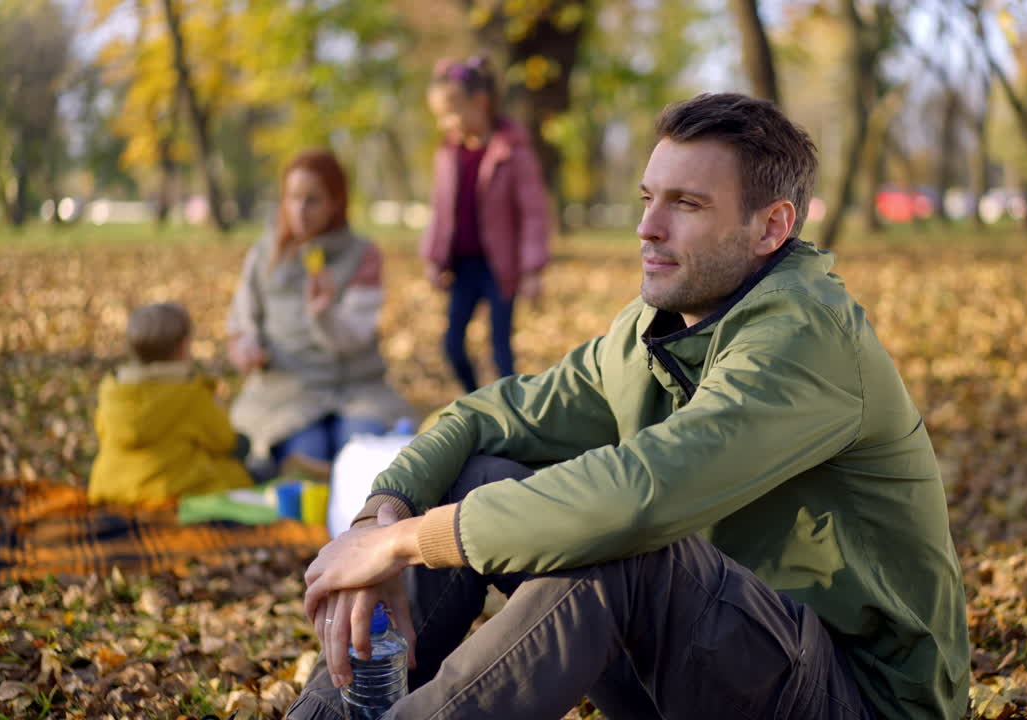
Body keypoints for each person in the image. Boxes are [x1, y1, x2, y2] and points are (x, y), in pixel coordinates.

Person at [289, 94, 970, 720]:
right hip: (713, 665)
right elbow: (486, 416)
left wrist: (407, 544)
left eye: (687, 204)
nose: (647, 226)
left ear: (771, 228)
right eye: (648, 197)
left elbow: (643, 496)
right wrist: (381, 519)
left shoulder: (806, 338)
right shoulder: (655, 329)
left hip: (853, 699)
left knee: (629, 550)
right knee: (480, 474)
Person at [227, 149, 410, 477]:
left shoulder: (362, 254)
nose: (300, 210)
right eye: (293, 198)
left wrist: (324, 314)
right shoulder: (264, 253)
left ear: (336, 202)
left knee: (360, 455)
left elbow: (355, 336)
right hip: (286, 390)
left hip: (356, 389)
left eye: (313, 200)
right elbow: (241, 323)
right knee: (308, 455)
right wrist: (246, 350)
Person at [423, 55, 551, 393]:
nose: (445, 123)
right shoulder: (448, 155)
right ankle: (476, 403)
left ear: (479, 102)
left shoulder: (513, 152)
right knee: (452, 345)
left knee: (500, 350)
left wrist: (533, 269)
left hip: (500, 268)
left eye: (450, 113)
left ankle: (512, 414)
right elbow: (440, 210)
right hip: (462, 269)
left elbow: (534, 213)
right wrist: (434, 258)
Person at [89, 302, 250, 505]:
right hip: (171, 492)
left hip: (112, 488)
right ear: (183, 347)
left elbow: (102, 429)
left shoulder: (113, 391)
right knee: (242, 450)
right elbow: (224, 441)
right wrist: (216, 406)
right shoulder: (190, 393)